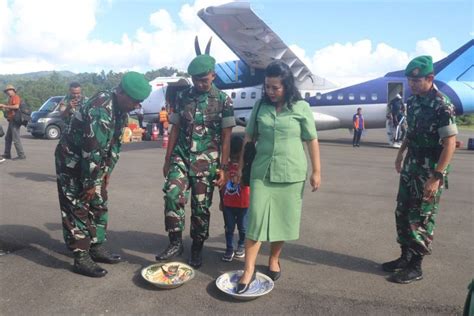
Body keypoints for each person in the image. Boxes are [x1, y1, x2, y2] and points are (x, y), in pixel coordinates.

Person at [235, 60, 321, 294]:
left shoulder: (301, 107)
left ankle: (274, 259)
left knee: (283, 219)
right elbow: (249, 138)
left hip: (292, 172)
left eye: (276, 87)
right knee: (256, 220)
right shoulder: (260, 107)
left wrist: (316, 171)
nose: (270, 92)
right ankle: (248, 270)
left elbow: (311, 139)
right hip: (261, 171)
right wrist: (241, 167)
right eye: (267, 87)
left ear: (287, 86)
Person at [55, 72, 151, 277]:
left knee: (99, 202)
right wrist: (90, 182)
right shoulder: (101, 108)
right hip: (73, 163)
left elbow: (114, 144)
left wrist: (106, 172)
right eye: (135, 101)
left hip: (93, 164)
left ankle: (96, 246)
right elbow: (92, 149)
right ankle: (81, 257)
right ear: (122, 93)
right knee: (77, 206)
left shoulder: (121, 110)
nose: (137, 106)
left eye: (139, 102)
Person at [382, 56, 458, 284]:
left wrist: (437, 176)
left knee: (421, 216)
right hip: (411, 166)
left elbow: (450, 144)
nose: (412, 84)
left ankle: (416, 267)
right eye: (410, 80)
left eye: (417, 80)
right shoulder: (413, 102)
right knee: (403, 212)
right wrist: (400, 153)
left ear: (430, 78)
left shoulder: (442, 105)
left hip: (429, 171)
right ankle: (405, 258)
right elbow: (411, 132)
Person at [155, 54, 235, 268]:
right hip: (181, 156)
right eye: (196, 80)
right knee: (172, 194)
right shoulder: (183, 97)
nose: (200, 84)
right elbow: (175, 128)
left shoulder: (223, 100)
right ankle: (175, 242)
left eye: (204, 80)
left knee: (201, 207)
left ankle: (197, 248)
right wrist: (167, 158)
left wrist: (224, 168)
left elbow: (227, 136)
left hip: (206, 162)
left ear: (213, 76)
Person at [221, 135, 250, 262]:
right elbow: (222, 185)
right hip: (228, 204)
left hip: (244, 205)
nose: (234, 161)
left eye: (237, 158)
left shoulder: (246, 167)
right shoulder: (225, 167)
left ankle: (242, 245)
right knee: (229, 227)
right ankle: (229, 248)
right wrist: (221, 201)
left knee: (243, 228)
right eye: (231, 157)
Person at [0, 84, 26, 160]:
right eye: (6, 91)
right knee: (8, 138)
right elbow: (11, 108)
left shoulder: (15, 97)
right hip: (11, 120)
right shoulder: (10, 98)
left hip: (15, 120)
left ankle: (21, 155)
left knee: (16, 138)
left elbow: (16, 106)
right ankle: (7, 154)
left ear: (12, 90)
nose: (7, 92)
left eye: (8, 91)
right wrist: (5, 108)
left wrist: (4, 106)